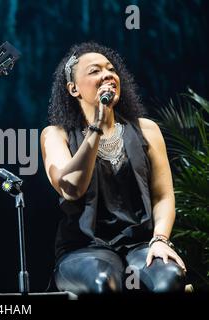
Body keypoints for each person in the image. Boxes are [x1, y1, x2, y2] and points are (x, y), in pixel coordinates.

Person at [40, 42, 186, 294]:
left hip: (141, 244)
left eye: (111, 69)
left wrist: (160, 239)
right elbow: (72, 189)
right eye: (95, 71)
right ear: (73, 89)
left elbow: (162, 195)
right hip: (84, 248)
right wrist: (97, 123)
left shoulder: (146, 129)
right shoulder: (56, 135)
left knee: (167, 280)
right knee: (104, 284)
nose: (107, 75)